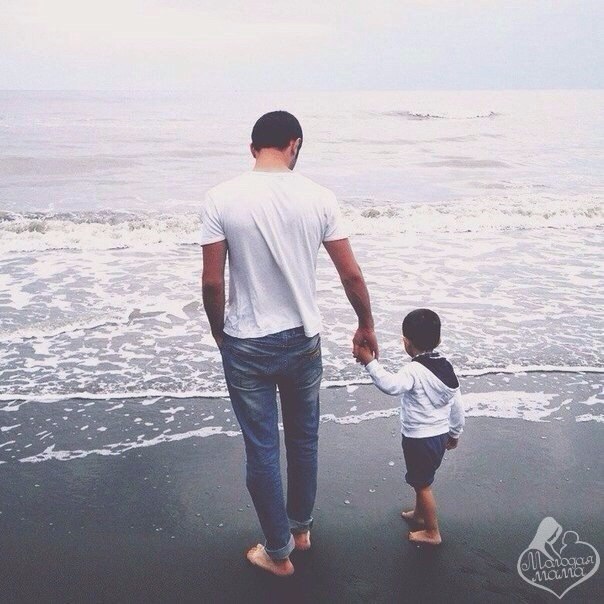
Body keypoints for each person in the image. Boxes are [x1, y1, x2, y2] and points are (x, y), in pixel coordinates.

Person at [200, 111, 377, 576]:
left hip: (246, 342)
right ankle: (300, 531)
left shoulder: (221, 198)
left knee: (261, 448)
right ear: (294, 143)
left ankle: (278, 554)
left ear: (252, 147)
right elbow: (351, 274)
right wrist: (366, 323)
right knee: (303, 440)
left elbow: (212, 282)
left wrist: (219, 331)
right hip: (302, 339)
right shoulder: (319, 197)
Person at [354, 308, 464, 545]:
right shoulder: (446, 367)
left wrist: (370, 363)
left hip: (419, 439)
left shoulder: (413, 370)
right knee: (421, 479)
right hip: (439, 436)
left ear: (406, 342)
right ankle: (419, 514)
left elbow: (391, 385)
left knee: (423, 485)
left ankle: (432, 531)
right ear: (439, 340)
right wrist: (455, 433)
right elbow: (457, 405)